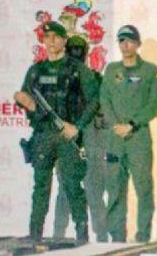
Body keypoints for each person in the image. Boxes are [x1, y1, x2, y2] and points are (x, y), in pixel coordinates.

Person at [13, 21, 96, 242]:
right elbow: (25, 97)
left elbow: (95, 100)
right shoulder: (36, 70)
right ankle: (35, 234)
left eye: (55, 37)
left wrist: (77, 127)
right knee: (41, 187)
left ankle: (82, 235)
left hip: (67, 137)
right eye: (46, 37)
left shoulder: (78, 69)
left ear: (63, 40)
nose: (50, 42)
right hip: (42, 136)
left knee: (72, 186)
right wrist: (25, 102)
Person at [99, 25, 157, 242]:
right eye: (121, 41)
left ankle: (143, 235)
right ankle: (116, 236)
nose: (125, 45)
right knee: (115, 186)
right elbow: (104, 100)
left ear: (138, 44)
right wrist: (116, 124)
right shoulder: (111, 69)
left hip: (138, 137)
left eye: (130, 41)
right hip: (115, 137)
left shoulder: (150, 70)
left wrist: (132, 125)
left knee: (143, 187)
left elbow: (155, 102)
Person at [51, 34, 107, 242]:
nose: (75, 54)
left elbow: (104, 111)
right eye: (72, 50)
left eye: (78, 50)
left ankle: (101, 239)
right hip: (68, 142)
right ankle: (58, 236)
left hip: (92, 141)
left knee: (93, 193)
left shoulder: (96, 79)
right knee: (66, 193)